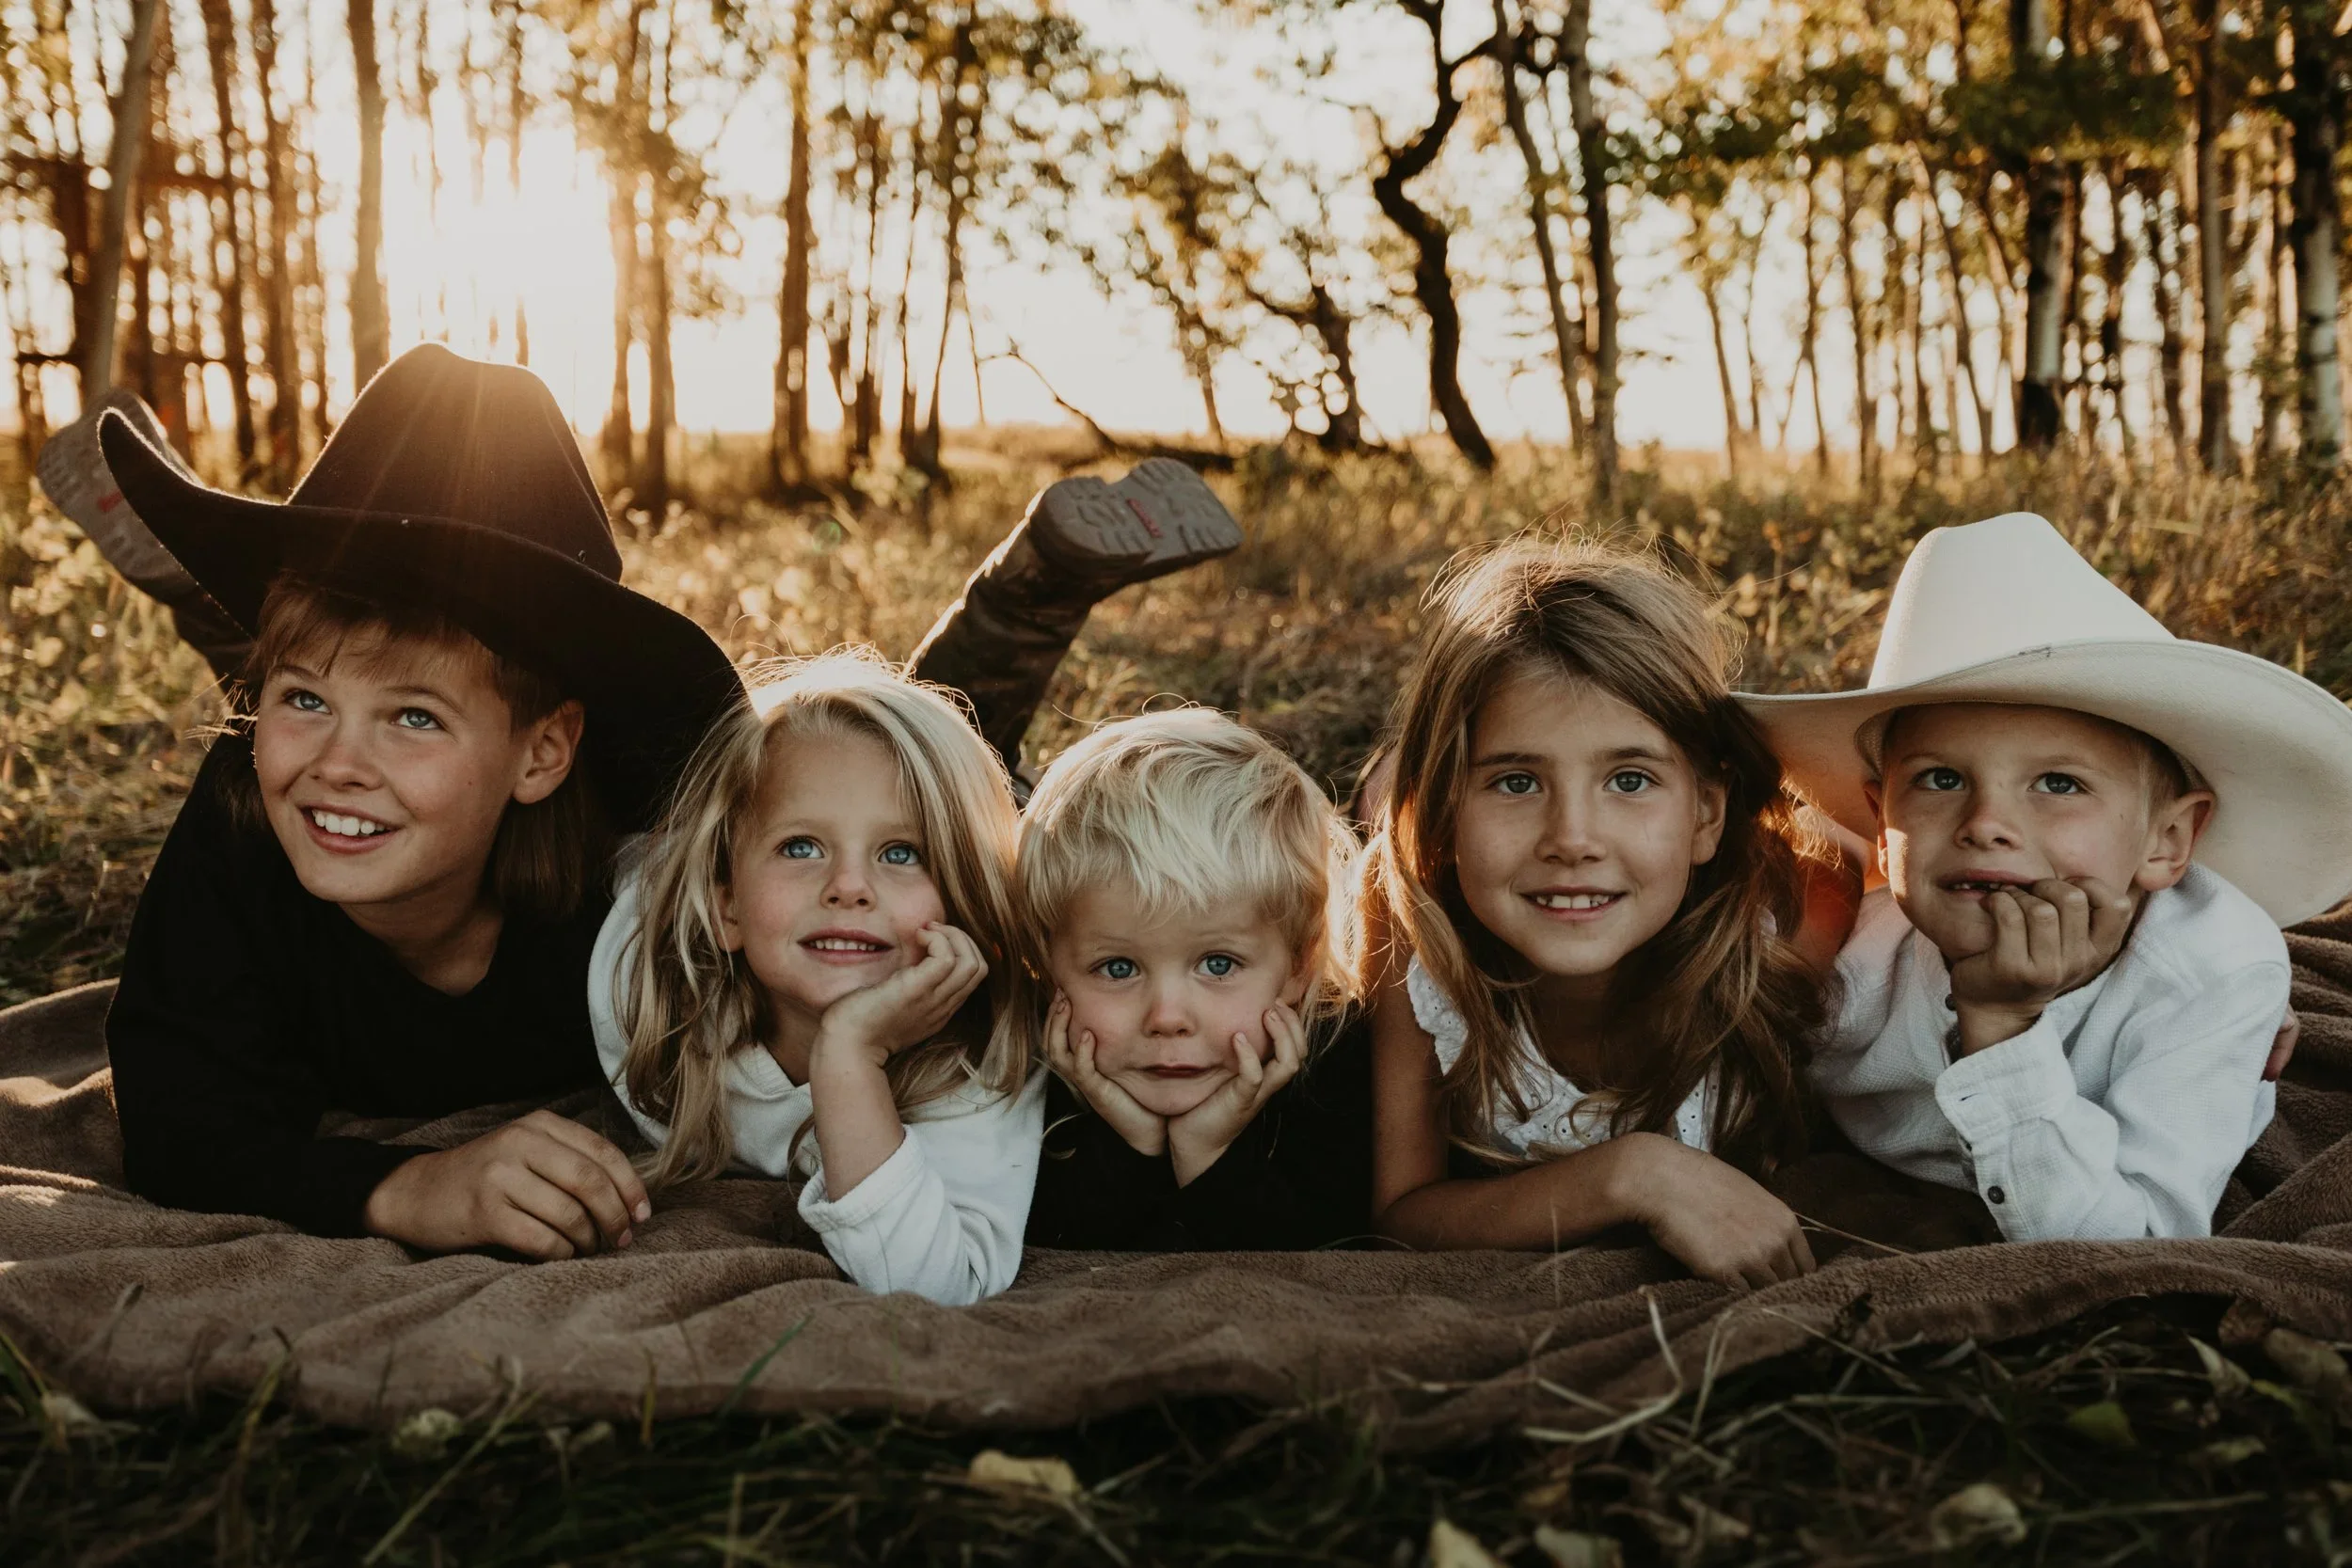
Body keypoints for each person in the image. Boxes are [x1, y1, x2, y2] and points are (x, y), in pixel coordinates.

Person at [101, 344, 743, 1255]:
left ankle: (1012, 608)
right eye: (303, 698)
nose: (340, 762)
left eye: (414, 715)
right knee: (312, 742)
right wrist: (401, 1187)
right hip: (297, 767)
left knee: (862, 761)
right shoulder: (241, 811)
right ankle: (242, 637)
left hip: (619, 791)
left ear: (544, 751)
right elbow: (178, 1123)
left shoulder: (633, 877)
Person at [1740, 513, 2352, 1240]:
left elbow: (2139, 1241)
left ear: (2168, 839)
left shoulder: (2213, 976)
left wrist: (2004, 1028)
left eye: (2058, 784)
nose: (1986, 822)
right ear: (1882, 820)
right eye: (1940, 778)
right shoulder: (1849, 960)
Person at [1361, 540, 1831, 1290]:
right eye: (1516, 781)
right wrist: (1633, 1175)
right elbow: (1402, 1215)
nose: (1572, 838)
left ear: (1707, 813)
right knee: (1384, 816)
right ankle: (1386, 790)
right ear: (1447, 808)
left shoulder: (1786, 910)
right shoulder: (1413, 930)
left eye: (1630, 778)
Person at [593, 653, 1042, 1304]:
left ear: (966, 904)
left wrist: (848, 1059)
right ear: (726, 908)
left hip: (988, 807)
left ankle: (1005, 646)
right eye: (801, 846)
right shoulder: (637, 972)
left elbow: (936, 1282)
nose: (849, 886)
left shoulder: (980, 1064)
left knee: (995, 785)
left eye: (901, 852)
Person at [1016, 709, 1372, 1251]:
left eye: (1218, 965)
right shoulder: (1025, 1076)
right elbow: (1053, 1240)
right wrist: (1132, 1142)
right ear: (1044, 966)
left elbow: (1323, 1253)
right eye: (1118, 968)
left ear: (1300, 964)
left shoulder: (1336, 1066)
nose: (1167, 1018)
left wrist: (1207, 1150)